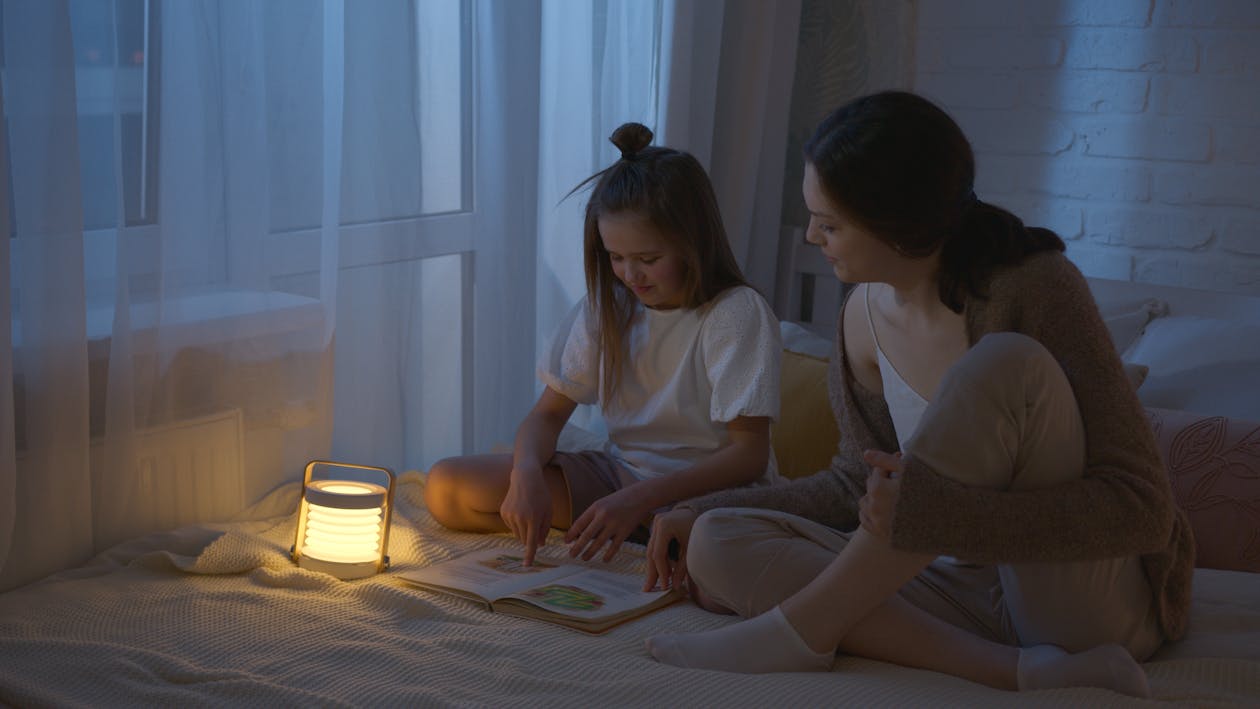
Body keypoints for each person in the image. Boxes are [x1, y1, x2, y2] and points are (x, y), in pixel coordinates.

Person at [643, 91, 1193, 698]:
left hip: (1078, 604)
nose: (811, 237)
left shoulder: (1035, 288)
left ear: (897, 224)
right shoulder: (860, 318)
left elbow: (1142, 508)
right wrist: (698, 507)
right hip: (953, 588)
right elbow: (858, 485)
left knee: (1006, 360)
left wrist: (946, 517)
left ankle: (799, 632)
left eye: (830, 224)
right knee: (719, 538)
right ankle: (1011, 669)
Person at [423, 122, 783, 578]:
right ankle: (632, 530)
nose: (631, 275)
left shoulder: (734, 313)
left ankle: (652, 533)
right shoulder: (610, 306)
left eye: (648, 259)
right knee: (447, 487)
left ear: (694, 243)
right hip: (621, 477)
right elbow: (548, 415)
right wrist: (526, 474)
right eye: (616, 258)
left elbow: (748, 455)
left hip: (707, 495)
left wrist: (639, 500)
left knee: (723, 567)